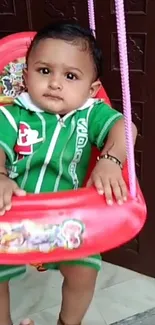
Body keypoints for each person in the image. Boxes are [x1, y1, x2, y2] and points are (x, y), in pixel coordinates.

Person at [0, 22, 137, 325]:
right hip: (14, 214)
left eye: (70, 76)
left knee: (84, 269)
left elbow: (125, 129)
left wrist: (111, 160)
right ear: (26, 76)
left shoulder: (90, 114)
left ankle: (68, 322)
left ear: (91, 88)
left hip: (68, 218)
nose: (55, 83)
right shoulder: (13, 113)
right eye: (44, 71)